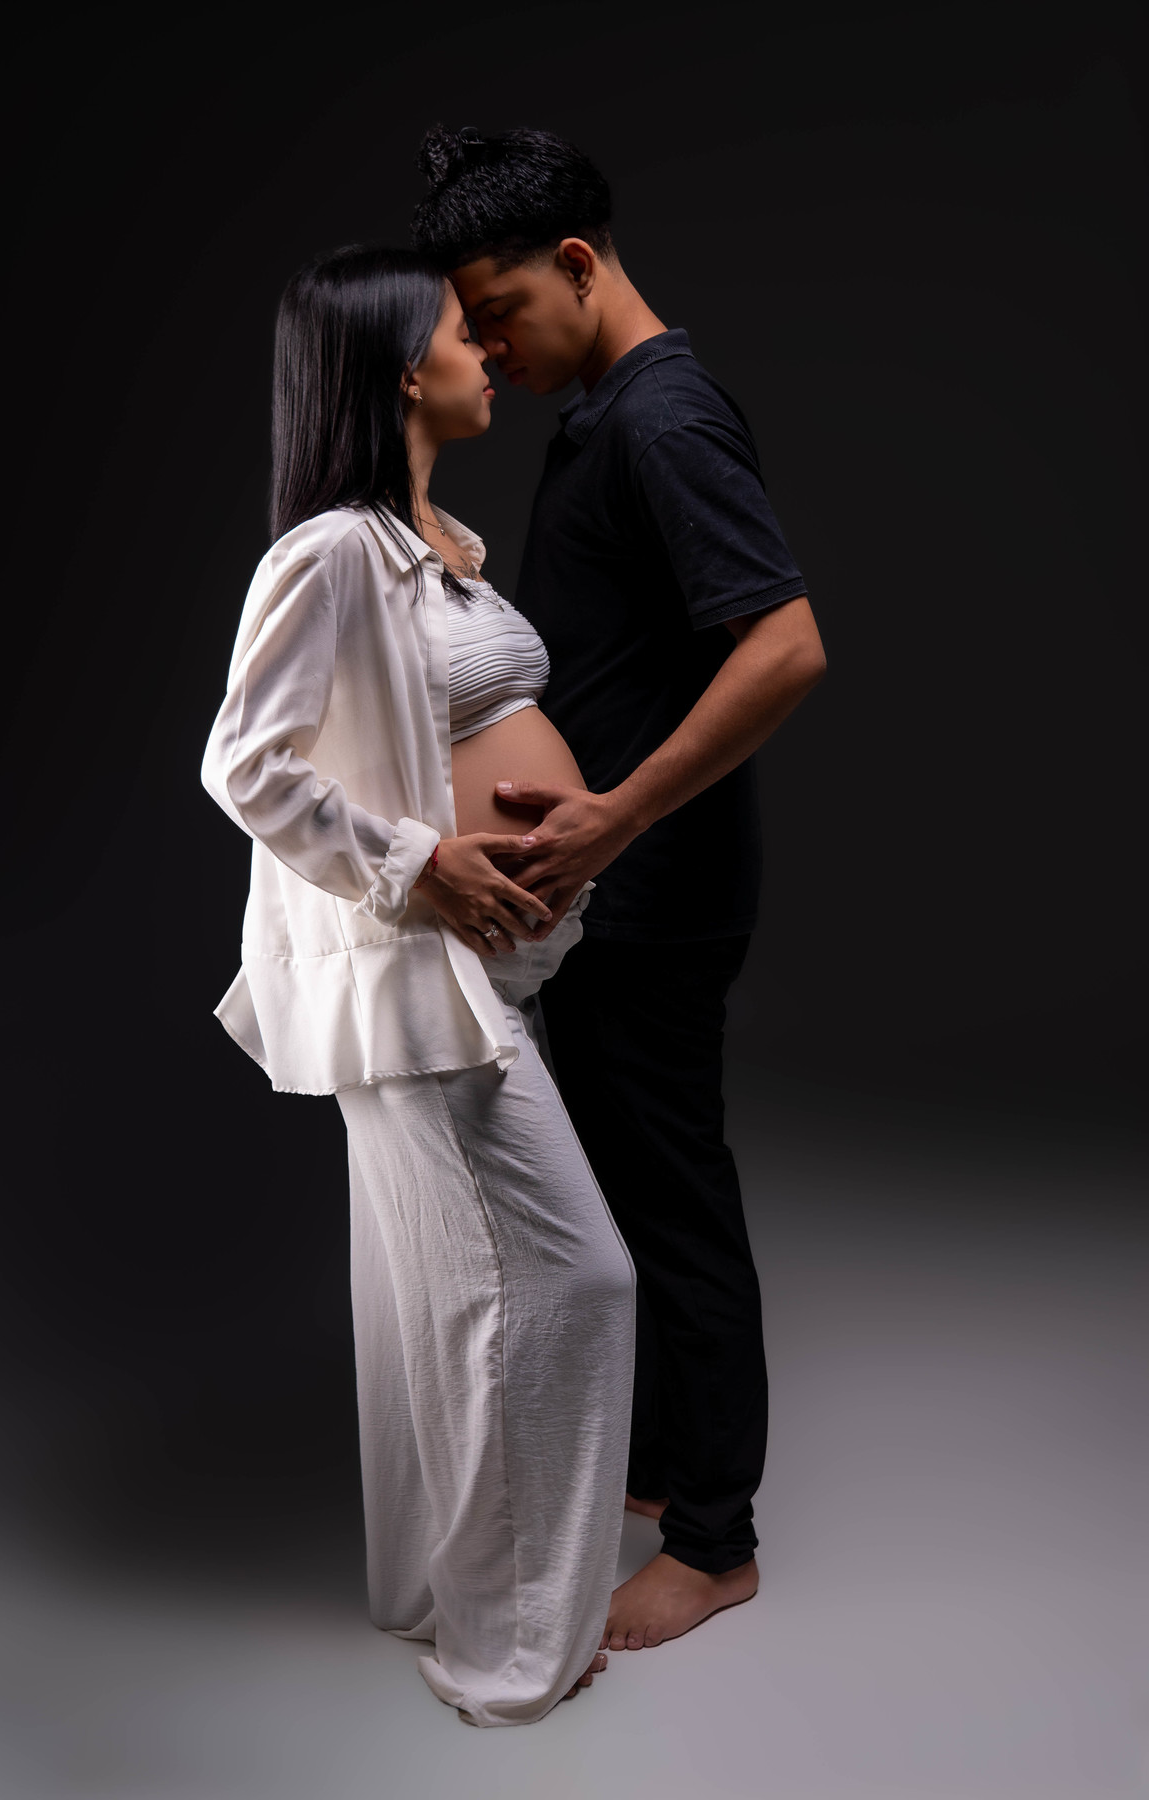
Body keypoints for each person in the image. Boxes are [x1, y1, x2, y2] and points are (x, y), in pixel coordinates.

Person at [200, 245, 636, 1726]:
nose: (488, 351)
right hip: (413, 971)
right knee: (567, 1281)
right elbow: (245, 762)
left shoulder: (434, 541)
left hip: (486, 969)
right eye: (463, 331)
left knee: (428, 1293)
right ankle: (512, 1650)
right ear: (402, 369)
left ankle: (442, 1590)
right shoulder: (331, 551)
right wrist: (416, 862)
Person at [412, 126, 827, 1653]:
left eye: (500, 310)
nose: (486, 348)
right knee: (631, 1192)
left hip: (654, 896)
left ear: (579, 265)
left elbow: (784, 645)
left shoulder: (663, 417)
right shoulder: (605, 413)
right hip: (611, 897)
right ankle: (660, 1465)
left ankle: (715, 1543)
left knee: (671, 1197)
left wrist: (610, 822)